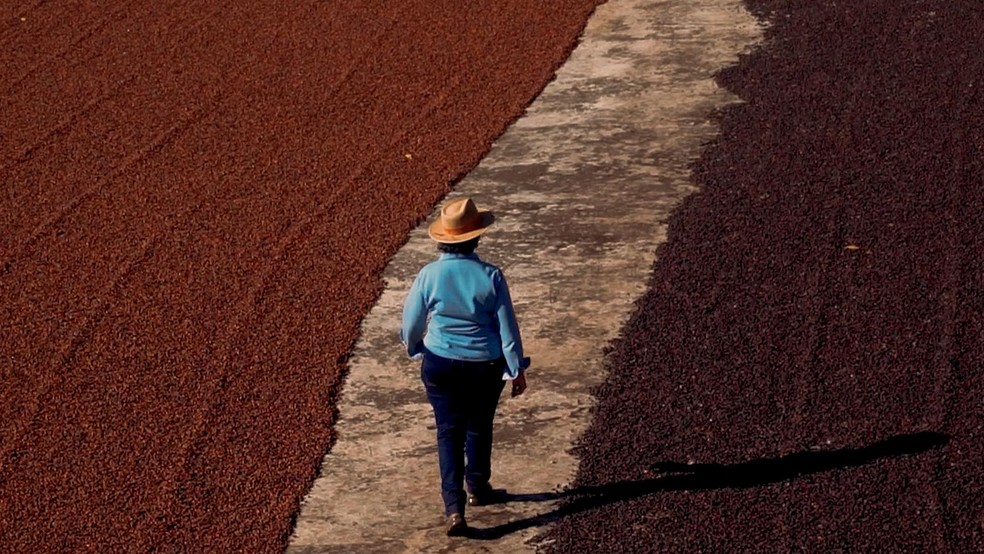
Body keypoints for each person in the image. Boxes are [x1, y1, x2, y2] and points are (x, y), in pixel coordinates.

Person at [401, 196, 530, 537]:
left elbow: (412, 322)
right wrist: (516, 369)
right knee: (479, 425)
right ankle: (478, 487)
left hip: (440, 363)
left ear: (442, 237)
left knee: (448, 431)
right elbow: (507, 330)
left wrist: (415, 348)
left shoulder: (428, 274)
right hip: (485, 366)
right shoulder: (491, 276)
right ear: (477, 237)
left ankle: (453, 508)